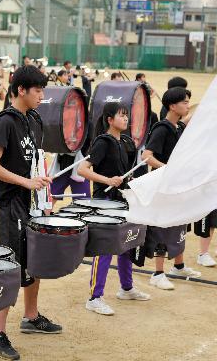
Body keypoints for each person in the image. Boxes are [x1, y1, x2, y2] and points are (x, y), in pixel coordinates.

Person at [0, 65, 61, 360]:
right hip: (12, 205)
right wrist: (26, 182)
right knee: (11, 267)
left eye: (43, 90)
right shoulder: (6, 122)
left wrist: (42, 186)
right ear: (21, 91)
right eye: (38, 90)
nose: (42, 95)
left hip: (33, 202)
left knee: (36, 260)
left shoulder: (35, 118)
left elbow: (35, 160)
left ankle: (30, 316)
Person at [77, 102, 150, 315]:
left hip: (123, 200)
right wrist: (107, 179)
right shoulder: (103, 142)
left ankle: (126, 288)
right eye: (121, 115)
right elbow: (83, 169)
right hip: (104, 202)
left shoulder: (126, 142)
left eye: (127, 115)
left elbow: (125, 173)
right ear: (109, 120)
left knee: (127, 243)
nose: (126, 119)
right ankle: (94, 297)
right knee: (105, 248)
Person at [142, 87, 201, 290]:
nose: (187, 105)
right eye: (184, 102)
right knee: (162, 227)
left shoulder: (177, 127)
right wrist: (167, 169)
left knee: (179, 223)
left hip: (177, 186)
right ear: (172, 106)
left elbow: (188, 121)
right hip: (162, 187)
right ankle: (158, 273)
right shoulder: (162, 128)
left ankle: (178, 265)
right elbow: (146, 156)